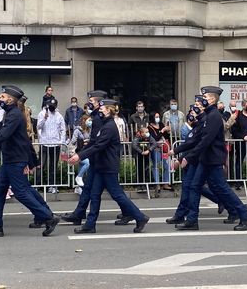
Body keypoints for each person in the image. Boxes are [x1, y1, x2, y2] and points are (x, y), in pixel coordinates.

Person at [0, 85, 59, 237]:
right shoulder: (10, 114)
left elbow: (2, 136)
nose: (0, 99)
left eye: (2, 97)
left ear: (10, 99)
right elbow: (5, 141)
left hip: (16, 160)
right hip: (11, 159)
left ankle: (47, 217)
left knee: (21, 192)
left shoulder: (14, 115)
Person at [176, 86, 247, 231]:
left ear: (212, 99)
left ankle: (245, 216)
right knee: (195, 186)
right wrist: (176, 151)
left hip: (213, 159)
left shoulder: (213, 117)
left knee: (223, 189)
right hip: (206, 159)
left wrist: (189, 157)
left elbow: (206, 141)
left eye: (205, 98)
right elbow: (196, 139)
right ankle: (192, 220)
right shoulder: (208, 115)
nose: (202, 100)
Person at [69, 99, 149, 234]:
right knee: (94, 195)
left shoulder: (109, 127)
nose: (100, 110)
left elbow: (98, 146)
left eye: (103, 108)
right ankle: (90, 224)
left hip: (108, 167)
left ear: (109, 110)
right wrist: (81, 153)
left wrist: (80, 156)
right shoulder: (105, 125)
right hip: (102, 166)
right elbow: (95, 143)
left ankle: (140, 217)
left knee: (117, 195)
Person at [36, 98, 66, 194]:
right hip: (44, 143)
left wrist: (61, 141)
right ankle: (37, 185)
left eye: (54, 106)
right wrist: (44, 118)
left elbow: (63, 130)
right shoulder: (42, 113)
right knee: (41, 164)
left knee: (53, 166)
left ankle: (52, 185)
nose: (52, 107)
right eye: (50, 106)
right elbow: (38, 127)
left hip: (55, 144)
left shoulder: (59, 116)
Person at [148, 111, 172, 191]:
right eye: (156, 117)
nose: (158, 118)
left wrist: (167, 131)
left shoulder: (161, 124)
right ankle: (157, 184)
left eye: (158, 116)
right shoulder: (150, 127)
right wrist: (162, 131)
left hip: (164, 148)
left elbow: (166, 136)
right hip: (156, 149)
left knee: (166, 165)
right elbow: (155, 138)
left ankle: (166, 183)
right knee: (156, 166)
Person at [67, 114, 92, 188]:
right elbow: (73, 141)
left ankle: (79, 188)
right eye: (88, 120)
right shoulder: (77, 130)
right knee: (87, 163)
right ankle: (79, 177)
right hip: (77, 152)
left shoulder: (89, 130)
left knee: (82, 166)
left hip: (85, 151)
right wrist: (81, 141)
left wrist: (88, 141)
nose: (90, 122)